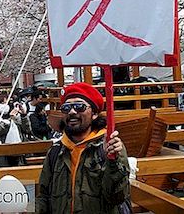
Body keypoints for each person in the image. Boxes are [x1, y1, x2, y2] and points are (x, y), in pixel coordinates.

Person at [36, 82, 130, 213]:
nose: (72, 112)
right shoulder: (56, 151)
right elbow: (43, 196)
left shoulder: (110, 146)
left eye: (79, 106)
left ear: (94, 113)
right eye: (66, 108)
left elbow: (117, 197)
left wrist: (113, 161)